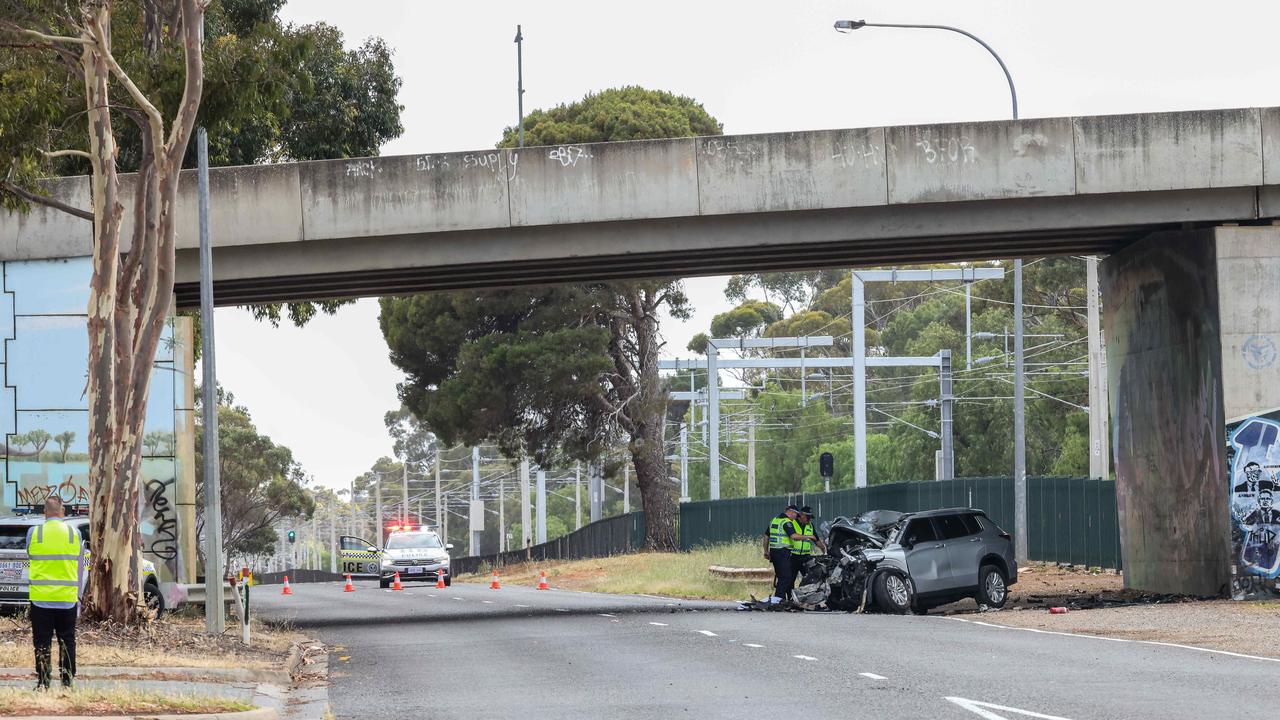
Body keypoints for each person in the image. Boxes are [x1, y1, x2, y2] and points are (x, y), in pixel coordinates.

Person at [26, 496, 86, 690]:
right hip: (66, 598)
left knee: (42, 641)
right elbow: (77, 559)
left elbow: (30, 553)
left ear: (45, 512)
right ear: (63, 511)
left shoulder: (34, 533)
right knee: (67, 640)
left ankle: (43, 682)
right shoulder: (73, 533)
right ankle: (68, 681)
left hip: (41, 598)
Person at [764, 505, 799, 601]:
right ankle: (778, 600)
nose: (796, 517)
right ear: (792, 512)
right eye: (796, 514)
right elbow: (794, 536)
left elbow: (766, 537)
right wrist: (809, 537)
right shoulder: (786, 522)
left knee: (781, 576)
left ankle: (780, 599)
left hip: (774, 552)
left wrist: (766, 551)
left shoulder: (774, 520)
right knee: (786, 577)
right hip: (782, 552)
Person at [789, 506, 826, 583]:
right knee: (790, 580)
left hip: (805, 557)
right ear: (801, 515)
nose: (809, 520)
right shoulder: (792, 523)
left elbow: (817, 540)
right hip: (792, 557)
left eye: (810, 518)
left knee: (810, 579)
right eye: (808, 517)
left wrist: (824, 550)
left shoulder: (810, 525)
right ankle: (789, 595)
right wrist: (809, 536)